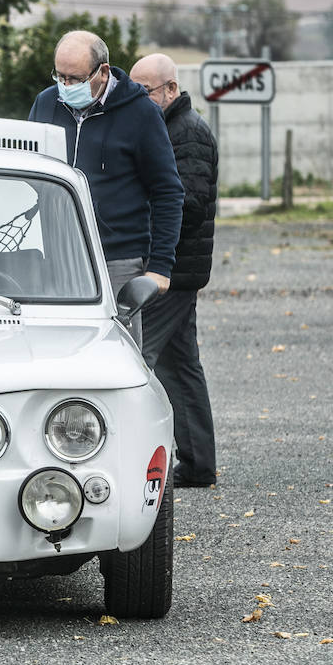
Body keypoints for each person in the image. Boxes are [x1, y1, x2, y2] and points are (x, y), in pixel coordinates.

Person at [27, 30, 184, 340]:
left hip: (117, 259)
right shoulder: (46, 104)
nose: (66, 86)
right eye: (60, 76)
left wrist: (161, 267)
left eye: (75, 78)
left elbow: (168, 191)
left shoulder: (141, 113)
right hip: (56, 256)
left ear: (103, 72)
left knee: (116, 349)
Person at [130, 53, 219, 488]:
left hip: (173, 270)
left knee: (135, 357)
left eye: (144, 91)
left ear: (170, 89)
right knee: (181, 366)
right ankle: (198, 463)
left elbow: (189, 204)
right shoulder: (170, 128)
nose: (138, 100)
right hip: (178, 267)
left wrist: (144, 221)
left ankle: (129, 459)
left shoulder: (188, 133)